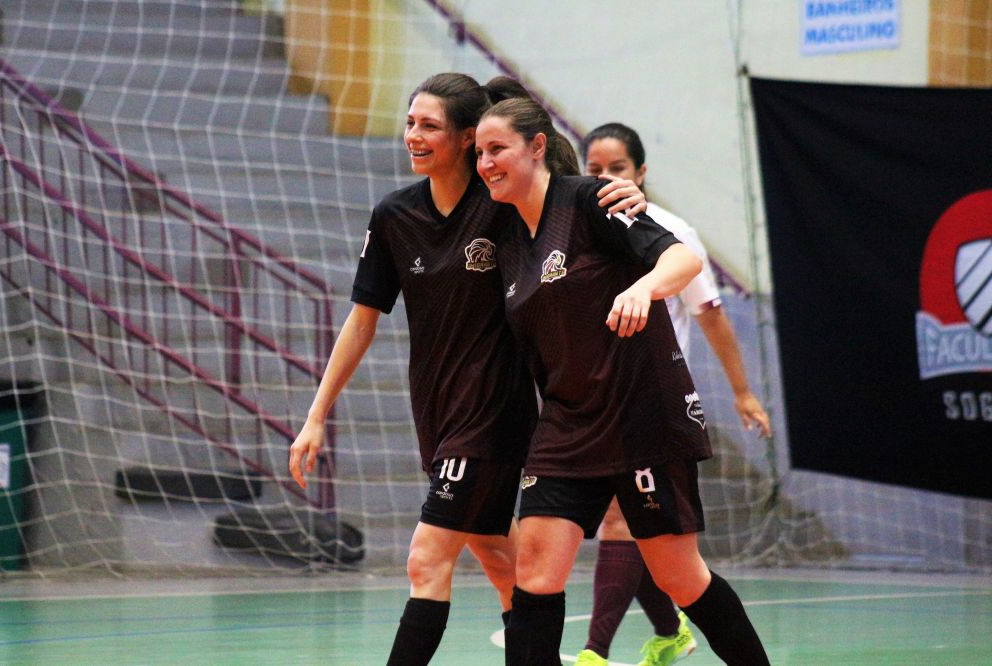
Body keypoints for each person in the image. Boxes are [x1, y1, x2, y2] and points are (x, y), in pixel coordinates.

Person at [287, 73, 645, 666]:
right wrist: (316, 415)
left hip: (495, 415)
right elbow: (361, 319)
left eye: (429, 126)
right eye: (410, 123)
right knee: (502, 564)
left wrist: (618, 197)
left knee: (426, 560)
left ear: (464, 138)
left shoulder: (502, 204)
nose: (413, 136)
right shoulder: (395, 214)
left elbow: (568, 204)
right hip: (436, 413)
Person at [475, 98, 771, 666]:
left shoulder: (591, 200)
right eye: (480, 153)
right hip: (567, 423)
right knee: (533, 574)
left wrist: (645, 288)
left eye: (498, 149)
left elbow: (682, 260)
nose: (486, 163)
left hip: (642, 414)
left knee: (681, 578)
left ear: (537, 147)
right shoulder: (507, 240)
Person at [573, 125, 774, 666]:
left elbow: (712, 318)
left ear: (640, 174)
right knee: (643, 538)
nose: (605, 178)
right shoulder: (578, 229)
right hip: (593, 403)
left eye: (617, 168)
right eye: (594, 169)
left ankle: (595, 652)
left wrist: (742, 392)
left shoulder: (669, 232)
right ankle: (671, 633)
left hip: (652, 404)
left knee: (624, 524)